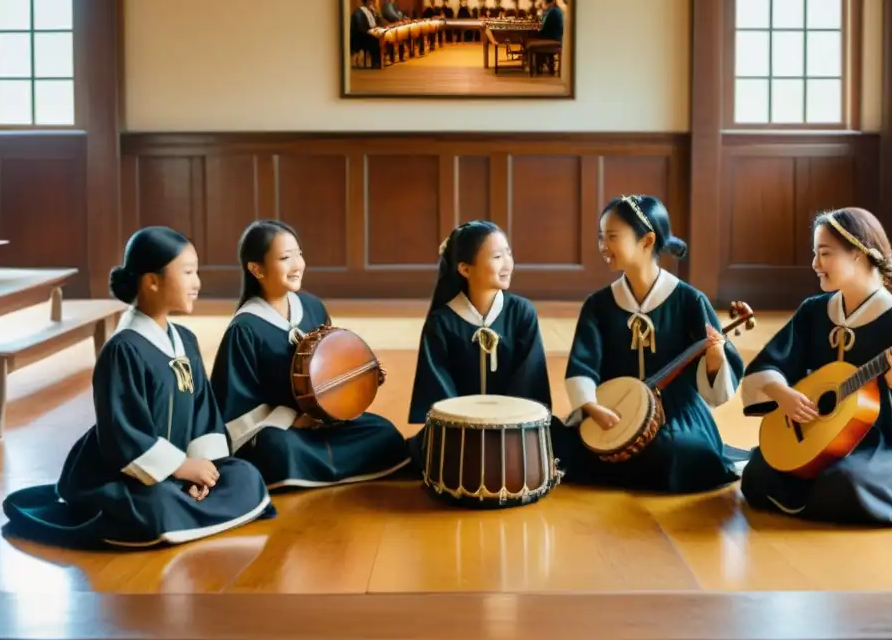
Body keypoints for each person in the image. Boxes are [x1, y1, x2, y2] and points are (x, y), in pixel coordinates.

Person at [2, 227, 274, 549]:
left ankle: (188, 504)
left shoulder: (185, 340)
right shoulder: (124, 350)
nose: (197, 282)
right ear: (152, 281)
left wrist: (205, 468)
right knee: (153, 505)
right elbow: (122, 436)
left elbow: (204, 410)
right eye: (187, 273)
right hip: (128, 474)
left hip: (181, 470)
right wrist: (182, 468)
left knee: (246, 477)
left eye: (196, 272)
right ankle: (175, 511)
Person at [738, 207, 892, 527]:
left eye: (825, 254)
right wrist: (782, 393)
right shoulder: (815, 311)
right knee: (757, 474)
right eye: (815, 253)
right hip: (817, 434)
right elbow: (771, 363)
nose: (815, 264)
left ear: (859, 256)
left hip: (881, 440)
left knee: (844, 483)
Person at [550, 195, 747, 494]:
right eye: (601, 237)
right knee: (554, 440)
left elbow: (717, 385)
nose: (603, 246)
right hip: (612, 408)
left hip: (676, 410)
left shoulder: (690, 301)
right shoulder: (599, 304)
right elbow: (583, 364)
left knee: (679, 452)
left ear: (647, 240)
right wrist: (592, 407)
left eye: (612, 237)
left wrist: (715, 356)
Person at [210, 220, 410, 490]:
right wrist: (294, 419)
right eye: (284, 257)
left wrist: (338, 401)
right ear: (256, 269)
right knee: (278, 450)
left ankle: (314, 469)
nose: (297, 265)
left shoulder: (313, 306)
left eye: (299, 254)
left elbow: (334, 363)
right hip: (282, 432)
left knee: (382, 432)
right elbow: (234, 409)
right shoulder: (245, 329)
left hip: (323, 423)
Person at [406, 221, 553, 467]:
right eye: (497, 256)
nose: (508, 263)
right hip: (459, 434)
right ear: (465, 269)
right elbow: (438, 390)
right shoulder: (442, 322)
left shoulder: (522, 312)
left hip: (513, 432)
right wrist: (466, 429)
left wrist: (508, 427)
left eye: (508, 253)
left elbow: (529, 381)